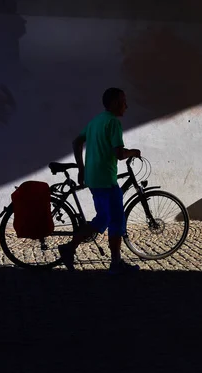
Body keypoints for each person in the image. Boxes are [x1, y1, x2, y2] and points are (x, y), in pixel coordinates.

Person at [59, 88, 141, 274]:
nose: (126, 106)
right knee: (114, 220)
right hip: (106, 179)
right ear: (113, 103)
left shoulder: (96, 121)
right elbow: (119, 154)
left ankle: (73, 249)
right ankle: (114, 263)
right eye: (123, 101)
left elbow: (76, 142)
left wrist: (81, 168)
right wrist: (133, 152)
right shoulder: (113, 122)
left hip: (94, 178)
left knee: (106, 218)